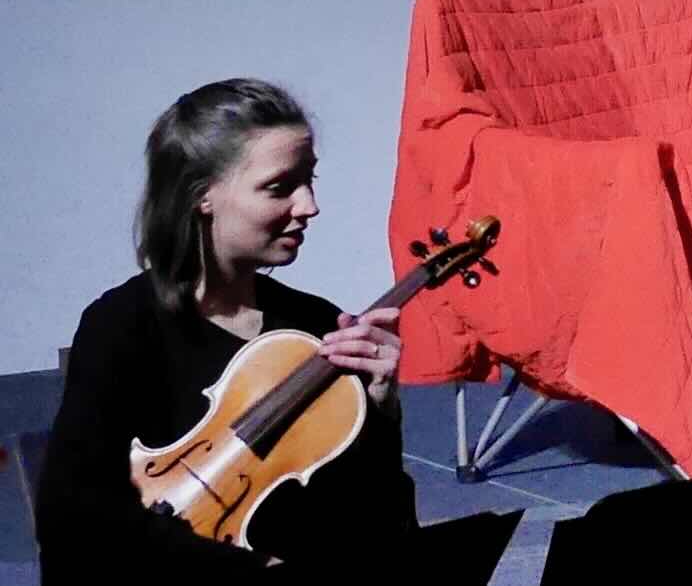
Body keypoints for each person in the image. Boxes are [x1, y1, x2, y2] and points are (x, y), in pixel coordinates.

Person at [36, 79, 416, 580]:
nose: (309, 206)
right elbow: (74, 522)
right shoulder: (122, 326)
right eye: (279, 187)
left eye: (309, 181)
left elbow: (383, 536)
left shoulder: (316, 327)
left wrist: (382, 413)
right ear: (201, 196)